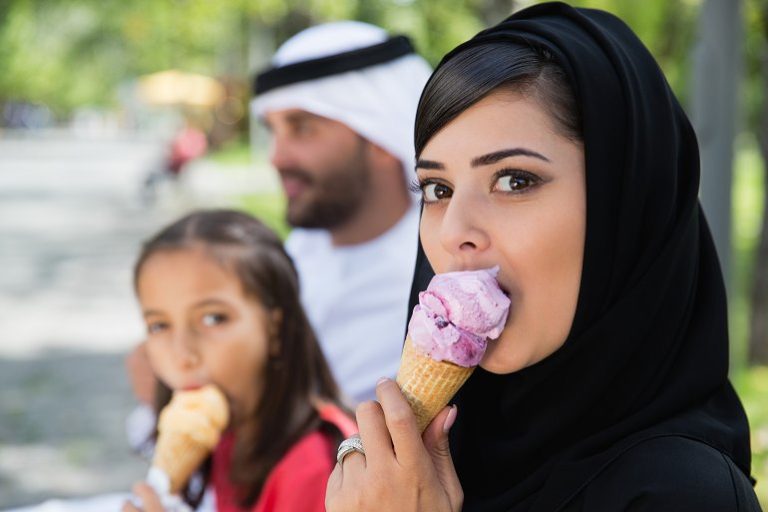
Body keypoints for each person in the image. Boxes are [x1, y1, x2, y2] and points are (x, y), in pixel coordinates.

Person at [326, 3, 762, 511]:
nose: (454, 232)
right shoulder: (442, 454)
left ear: (623, 206)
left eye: (515, 180)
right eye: (438, 189)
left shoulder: (684, 495)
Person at [122, 209, 356, 512]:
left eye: (213, 318)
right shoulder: (235, 433)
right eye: (159, 325)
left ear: (274, 328)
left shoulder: (313, 467)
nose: (183, 355)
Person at [251, 21, 433, 402]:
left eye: (302, 128)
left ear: (381, 137)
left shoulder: (433, 290)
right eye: (273, 130)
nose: (276, 158)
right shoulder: (296, 254)